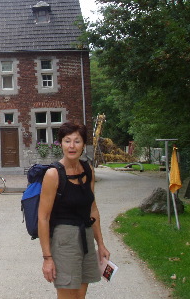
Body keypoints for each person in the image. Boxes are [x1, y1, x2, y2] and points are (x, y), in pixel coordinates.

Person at [38, 121, 110, 299]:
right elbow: (43, 217)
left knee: (80, 295)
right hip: (64, 241)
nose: (72, 146)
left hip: (85, 236)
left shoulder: (88, 169)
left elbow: (92, 209)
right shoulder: (53, 174)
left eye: (77, 141)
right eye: (67, 140)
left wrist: (100, 244)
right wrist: (47, 257)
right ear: (60, 143)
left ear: (83, 145)